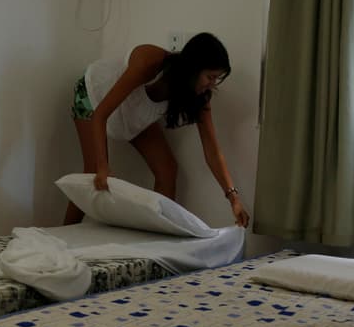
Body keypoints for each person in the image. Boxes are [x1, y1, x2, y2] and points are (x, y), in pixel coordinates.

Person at [64, 32, 250, 228]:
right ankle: (63, 234)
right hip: (94, 96)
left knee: (168, 169)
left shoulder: (200, 96)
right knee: (92, 172)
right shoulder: (149, 61)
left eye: (217, 79)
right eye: (210, 77)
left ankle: (159, 235)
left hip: (133, 112)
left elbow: (213, 151)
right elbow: (100, 115)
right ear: (193, 69)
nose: (212, 84)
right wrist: (103, 166)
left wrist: (234, 199)